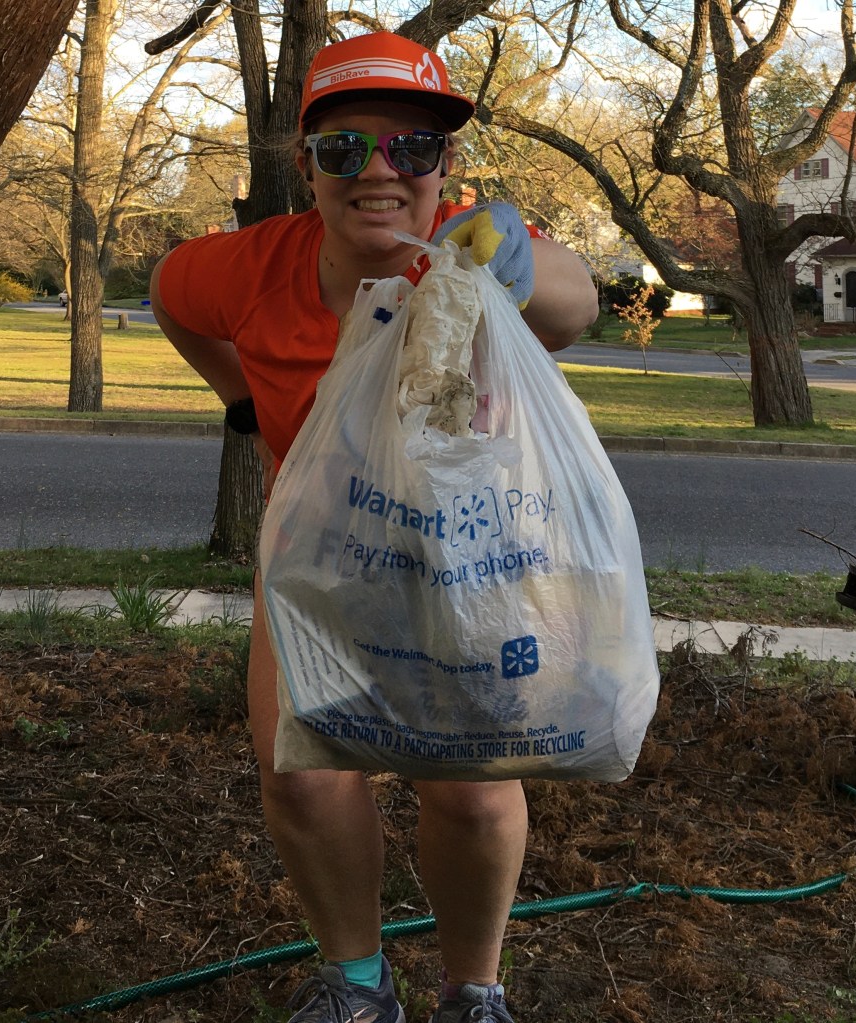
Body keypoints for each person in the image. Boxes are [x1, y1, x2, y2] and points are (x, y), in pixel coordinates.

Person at [151, 31, 598, 1023]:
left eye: (412, 148)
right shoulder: (249, 270)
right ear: (305, 165)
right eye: (343, 150)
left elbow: (574, 305)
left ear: (446, 167)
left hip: (465, 564)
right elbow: (170, 297)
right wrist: (239, 402)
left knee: (473, 791)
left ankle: (472, 991)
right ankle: (355, 985)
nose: (379, 172)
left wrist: (516, 264)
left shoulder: (476, 249)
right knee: (303, 779)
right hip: (317, 557)